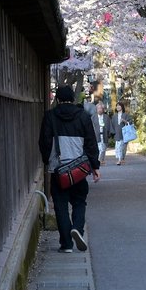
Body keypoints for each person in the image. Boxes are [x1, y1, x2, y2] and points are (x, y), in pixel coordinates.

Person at [40, 85, 101, 253]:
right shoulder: (82, 116)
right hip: (78, 170)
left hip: (58, 170)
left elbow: (44, 142)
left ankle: (66, 244)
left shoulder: (50, 116)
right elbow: (91, 142)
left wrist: (47, 161)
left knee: (60, 206)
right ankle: (77, 229)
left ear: (57, 99)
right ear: (73, 99)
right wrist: (95, 166)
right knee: (79, 201)